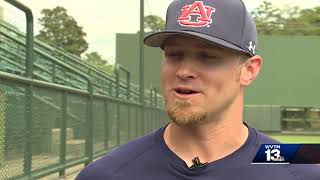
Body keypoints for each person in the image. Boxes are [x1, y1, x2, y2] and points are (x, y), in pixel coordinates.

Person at [76, 0, 320, 179]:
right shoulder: (109, 172)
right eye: (174, 55)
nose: (183, 71)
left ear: (249, 70)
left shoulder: (296, 164)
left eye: (207, 57)